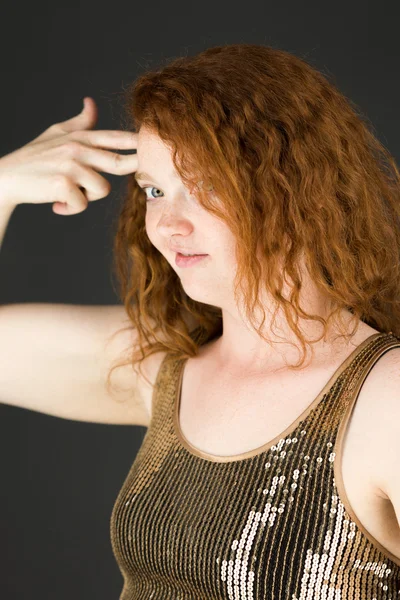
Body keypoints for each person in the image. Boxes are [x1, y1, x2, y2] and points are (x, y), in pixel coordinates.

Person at [1, 43, 400, 599]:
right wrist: (3, 185)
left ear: (298, 187)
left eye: (207, 186)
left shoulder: (387, 398)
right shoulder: (164, 371)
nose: (166, 224)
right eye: (155, 190)